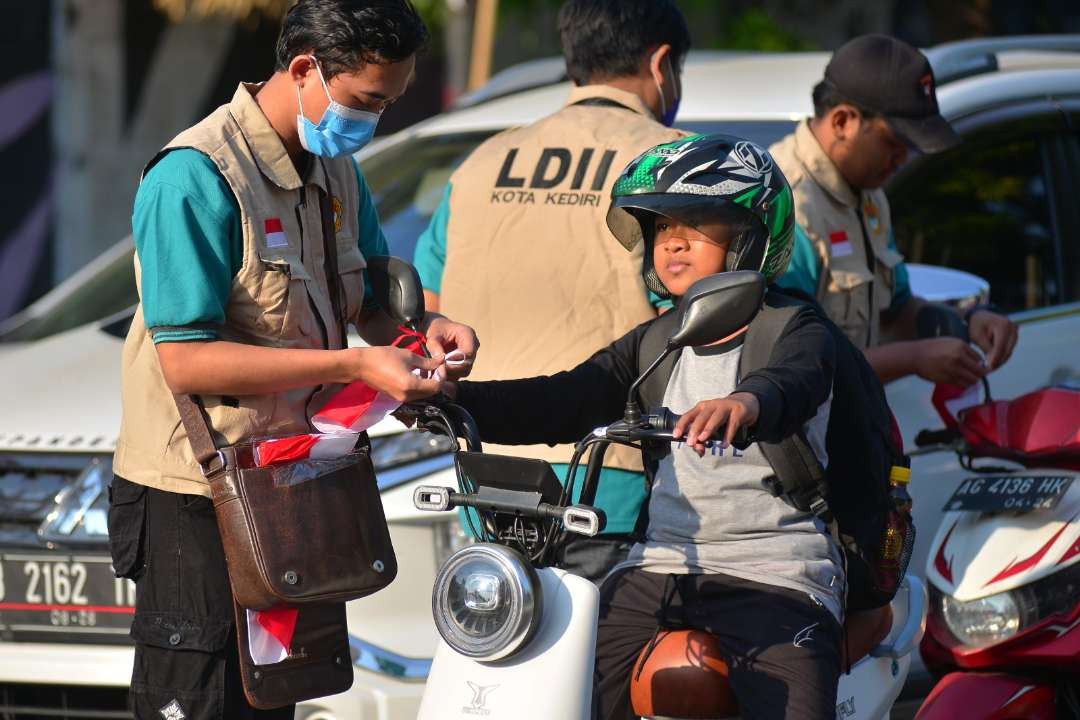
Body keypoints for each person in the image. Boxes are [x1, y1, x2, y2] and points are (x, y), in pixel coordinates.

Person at [107, 2, 477, 717]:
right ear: (305, 68)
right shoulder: (195, 175)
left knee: (277, 696)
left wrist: (423, 331)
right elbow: (187, 362)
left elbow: (367, 295)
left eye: (389, 103)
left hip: (296, 491)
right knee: (206, 697)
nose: (373, 122)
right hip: (200, 496)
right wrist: (354, 368)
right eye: (367, 100)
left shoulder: (338, 171)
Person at [453, 135, 844, 720]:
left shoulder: (792, 325)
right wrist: (450, 401)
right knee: (556, 685)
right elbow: (564, 397)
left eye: (698, 222)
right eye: (662, 227)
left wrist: (746, 403)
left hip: (777, 568)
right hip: (658, 565)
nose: (674, 241)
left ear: (749, 235)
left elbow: (797, 379)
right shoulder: (657, 341)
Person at [413, 0, 692, 582]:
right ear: (662, 64)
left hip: (484, 474)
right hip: (618, 477)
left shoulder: (481, 164)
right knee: (607, 663)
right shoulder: (678, 165)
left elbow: (429, 309)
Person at [771, 34, 1018, 387]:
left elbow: (897, 310)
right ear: (842, 121)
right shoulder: (788, 207)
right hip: (801, 436)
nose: (901, 160)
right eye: (893, 142)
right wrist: (912, 359)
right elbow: (786, 364)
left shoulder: (867, 193)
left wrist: (968, 321)